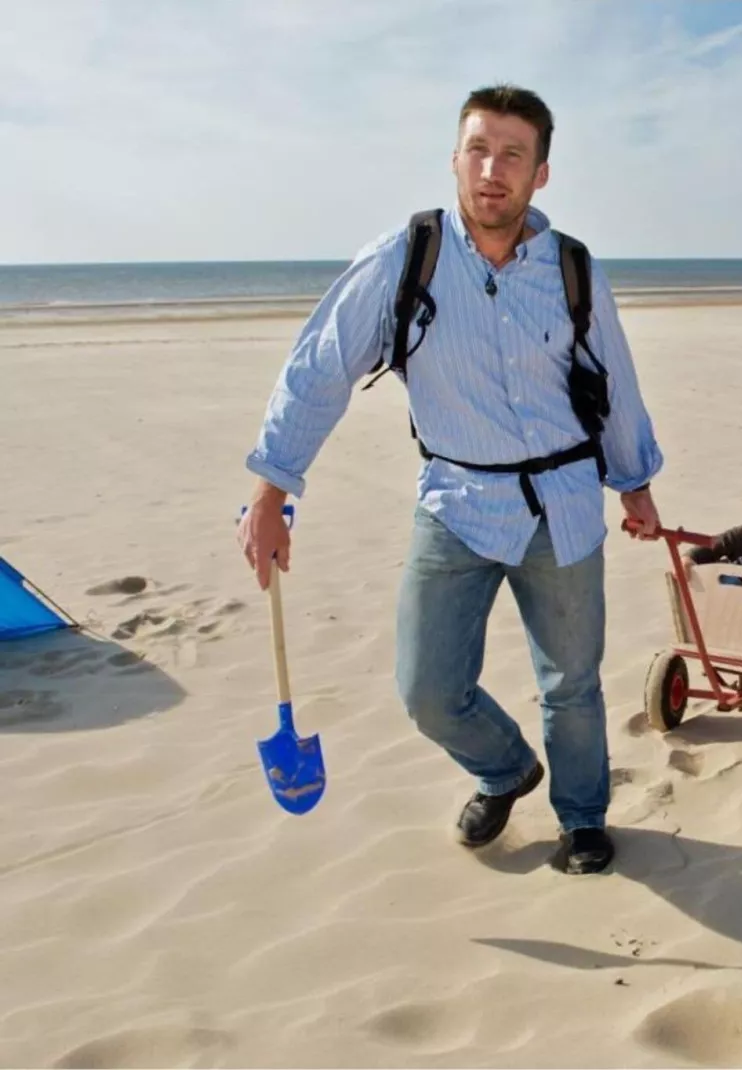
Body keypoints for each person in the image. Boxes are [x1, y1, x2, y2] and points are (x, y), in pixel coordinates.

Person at [236, 84, 665, 876]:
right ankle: (505, 769)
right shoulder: (406, 259)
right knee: (428, 688)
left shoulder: (573, 268)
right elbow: (320, 369)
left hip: (563, 506)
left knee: (571, 683)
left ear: (540, 174)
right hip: (457, 504)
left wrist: (634, 481)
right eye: (478, 149)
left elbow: (615, 380)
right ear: (455, 159)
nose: (491, 169)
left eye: (512, 154)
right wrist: (272, 487)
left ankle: (582, 818)